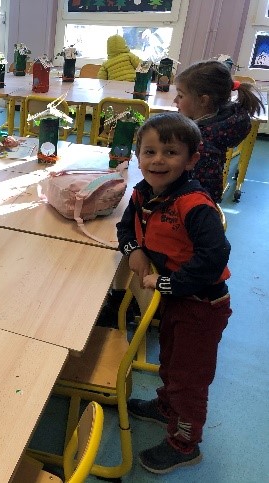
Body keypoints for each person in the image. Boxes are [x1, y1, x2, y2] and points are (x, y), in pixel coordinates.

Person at [116, 112, 232, 475]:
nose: (158, 160)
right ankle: (167, 406)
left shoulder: (194, 205)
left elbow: (215, 257)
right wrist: (134, 250)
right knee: (169, 358)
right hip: (176, 300)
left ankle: (185, 444)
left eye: (170, 152)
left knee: (188, 379)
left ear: (191, 159)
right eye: (149, 152)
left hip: (202, 305)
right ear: (138, 156)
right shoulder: (143, 192)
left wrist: (168, 284)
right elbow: (125, 229)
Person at [174, 59, 264, 202]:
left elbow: (204, 195)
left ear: (203, 101)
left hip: (188, 207)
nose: (175, 100)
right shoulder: (215, 125)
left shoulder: (202, 145)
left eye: (180, 95)